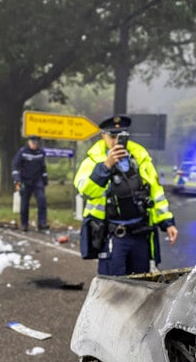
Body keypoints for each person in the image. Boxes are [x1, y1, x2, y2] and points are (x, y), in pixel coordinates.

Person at [75, 115, 178, 276]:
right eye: (112, 136)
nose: (116, 141)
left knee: (140, 285)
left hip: (140, 234)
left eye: (121, 136)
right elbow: (87, 191)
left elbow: (155, 192)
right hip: (114, 235)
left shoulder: (140, 157)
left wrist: (167, 222)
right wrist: (106, 166)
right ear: (103, 136)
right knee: (113, 287)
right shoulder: (93, 161)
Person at [11, 135, 49, 231]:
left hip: (37, 181)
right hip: (25, 181)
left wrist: (45, 180)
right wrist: (17, 180)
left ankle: (42, 223)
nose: (34, 145)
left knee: (42, 200)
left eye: (36, 143)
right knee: (24, 203)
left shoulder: (40, 153)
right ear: (28, 142)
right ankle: (24, 224)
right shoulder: (22, 152)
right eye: (33, 143)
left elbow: (43, 168)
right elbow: (15, 166)